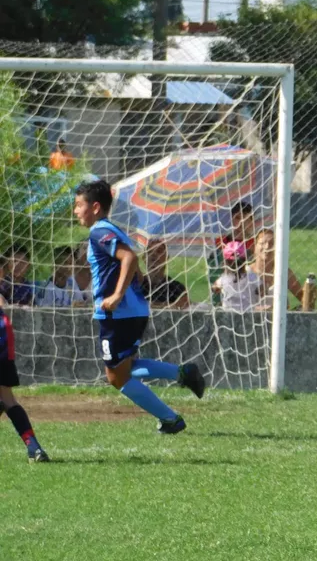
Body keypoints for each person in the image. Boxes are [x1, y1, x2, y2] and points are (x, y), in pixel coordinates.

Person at [73, 179, 205, 434]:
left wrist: (116, 295)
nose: (76, 211)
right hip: (133, 311)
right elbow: (135, 266)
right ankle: (183, 373)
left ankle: (170, 418)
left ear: (96, 207)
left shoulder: (99, 231)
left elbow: (130, 257)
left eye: (79, 205)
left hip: (118, 314)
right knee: (127, 366)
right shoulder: (113, 230)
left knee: (116, 377)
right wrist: (133, 284)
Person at [0, 297, 49, 461]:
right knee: (7, 398)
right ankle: (34, 449)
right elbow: (3, 303)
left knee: (5, 398)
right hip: (3, 332)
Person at [209, 201, 257, 306]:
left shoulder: (256, 245)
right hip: (225, 292)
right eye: (237, 218)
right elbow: (212, 270)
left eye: (245, 218)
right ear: (231, 220)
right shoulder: (221, 243)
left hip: (249, 295)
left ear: (252, 222)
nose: (241, 222)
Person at [249, 228, 303, 309]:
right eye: (262, 243)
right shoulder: (246, 272)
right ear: (254, 247)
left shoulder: (284, 272)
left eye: (272, 243)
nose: (267, 247)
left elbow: (303, 298)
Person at [212, 241, 262, 313]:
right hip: (248, 312)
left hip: (228, 313)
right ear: (244, 261)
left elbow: (214, 288)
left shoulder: (224, 278)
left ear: (225, 263)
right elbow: (262, 289)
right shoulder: (251, 276)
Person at [141, 239, 189, 309]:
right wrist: (169, 305)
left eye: (159, 251)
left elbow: (182, 305)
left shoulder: (177, 288)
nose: (154, 254)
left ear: (167, 258)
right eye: (149, 251)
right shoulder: (135, 285)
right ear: (144, 258)